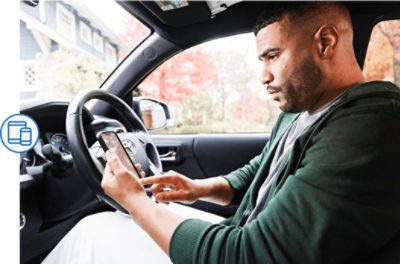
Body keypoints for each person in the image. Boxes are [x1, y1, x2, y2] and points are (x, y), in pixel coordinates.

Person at [43, 2, 400, 264]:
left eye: (272, 56)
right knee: (113, 221)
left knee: (91, 233)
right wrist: (199, 189)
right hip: (247, 235)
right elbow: (263, 170)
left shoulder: (370, 125)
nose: (263, 76)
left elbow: (247, 256)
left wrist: (135, 200)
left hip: (246, 251)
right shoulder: (304, 110)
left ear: (325, 42)